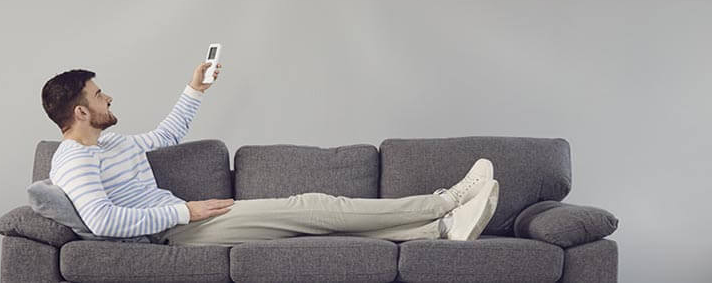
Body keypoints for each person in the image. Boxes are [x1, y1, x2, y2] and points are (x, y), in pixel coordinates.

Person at [40, 62, 499, 247]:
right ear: (81, 110)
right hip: (176, 233)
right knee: (315, 207)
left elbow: (169, 133)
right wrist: (184, 211)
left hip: (188, 219)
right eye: (100, 96)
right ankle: (445, 201)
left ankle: (440, 229)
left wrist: (195, 88)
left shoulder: (111, 143)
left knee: (315, 219)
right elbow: (102, 222)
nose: (109, 98)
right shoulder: (76, 160)